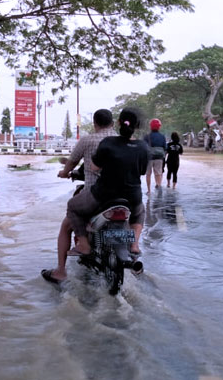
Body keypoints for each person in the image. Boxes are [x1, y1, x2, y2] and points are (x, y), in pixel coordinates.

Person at [42, 108, 149, 284]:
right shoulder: (142, 146)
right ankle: (134, 245)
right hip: (131, 198)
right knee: (140, 212)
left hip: (102, 196)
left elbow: (91, 167)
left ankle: (67, 263)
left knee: (72, 208)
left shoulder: (104, 142)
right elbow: (143, 171)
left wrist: (66, 172)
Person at [42, 109, 116, 284]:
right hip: (123, 195)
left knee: (67, 222)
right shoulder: (123, 141)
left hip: (95, 195)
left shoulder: (88, 140)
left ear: (95, 124)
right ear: (112, 123)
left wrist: (64, 172)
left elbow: (72, 161)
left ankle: (61, 270)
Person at [143, 118, 166, 194]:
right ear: (159, 127)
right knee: (158, 173)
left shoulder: (147, 136)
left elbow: (143, 147)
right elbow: (165, 147)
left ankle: (149, 190)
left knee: (148, 174)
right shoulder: (162, 136)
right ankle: (158, 186)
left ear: (151, 126)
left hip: (149, 158)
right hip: (159, 157)